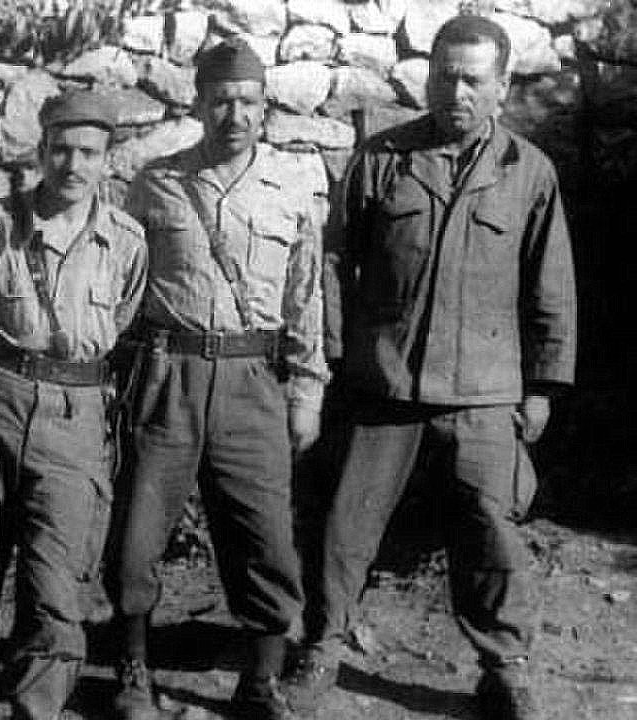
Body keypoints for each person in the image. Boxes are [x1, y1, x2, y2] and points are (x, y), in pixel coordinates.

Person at [284, 15, 576, 720]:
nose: (457, 90)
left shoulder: (529, 173)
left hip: (483, 389)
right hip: (381, 382)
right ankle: (323, 647)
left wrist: (541, 387)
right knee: (343, 527)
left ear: (502, 86)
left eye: (474, 78)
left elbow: (551, 286)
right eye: (445, 74)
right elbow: (332, 263)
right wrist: (330, 359)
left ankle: (504, 666)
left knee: (491, 530)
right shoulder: (383, 159)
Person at [106, 38, 329, 720]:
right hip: (168, 373)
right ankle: (133, 674)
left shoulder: (291, 191)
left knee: (262, 533)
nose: (236, 114)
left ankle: (259, 683)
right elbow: (121, 285)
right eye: (222, 100)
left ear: (266, 109)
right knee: (139, 531)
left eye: (249, 102)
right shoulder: (157, 183)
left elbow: (306, 298)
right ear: (199, 104)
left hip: (252, 380)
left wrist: (307, 391)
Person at [0, 90, 148, 720]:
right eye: (61, 149)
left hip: (76, 412)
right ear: (41, 149)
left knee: (56, 580)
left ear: (107, 160)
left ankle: (39, 709)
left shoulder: (127, 240)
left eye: (89, 152)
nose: (73, 165)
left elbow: (125, 315)